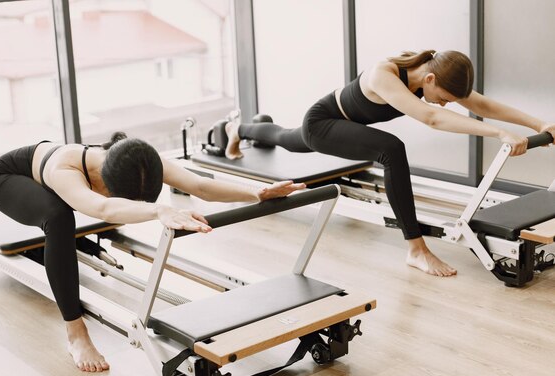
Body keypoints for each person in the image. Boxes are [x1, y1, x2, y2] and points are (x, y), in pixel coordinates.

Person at [0, 132, 305, 372]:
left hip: (42, 163)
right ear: (106, 180)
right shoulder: (65, 169)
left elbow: (199, 186)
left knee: (83, 214)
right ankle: (75, 332)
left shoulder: (139, 158)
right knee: (59, 218)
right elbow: (102, 208)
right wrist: (157, 211)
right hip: (9, 175)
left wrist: (258, 192)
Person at [224, 49, 555, 277]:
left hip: (340, 123)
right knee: (389, 150)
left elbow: (483, 104)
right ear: (429, 81)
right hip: (322, 122)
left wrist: (538, 124)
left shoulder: (434, 71)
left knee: (287, 138)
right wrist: (499, 134)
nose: (447, 104)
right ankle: (416, 249)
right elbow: (432, 118)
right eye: (446, 98)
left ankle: (236, 129)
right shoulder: (385, 74)